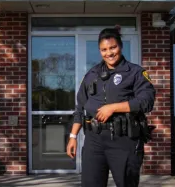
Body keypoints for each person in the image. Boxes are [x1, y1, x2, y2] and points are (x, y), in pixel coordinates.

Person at [66, 27, 156, 187]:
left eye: (113, 47)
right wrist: (73, 137)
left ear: (120, 46)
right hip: (94, 141)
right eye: (104, 49)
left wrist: (113, 107)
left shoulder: (135, 72)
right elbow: (80, 107)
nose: (109, 53)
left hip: (124, 140)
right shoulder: (91, 74)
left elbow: (146, 101)